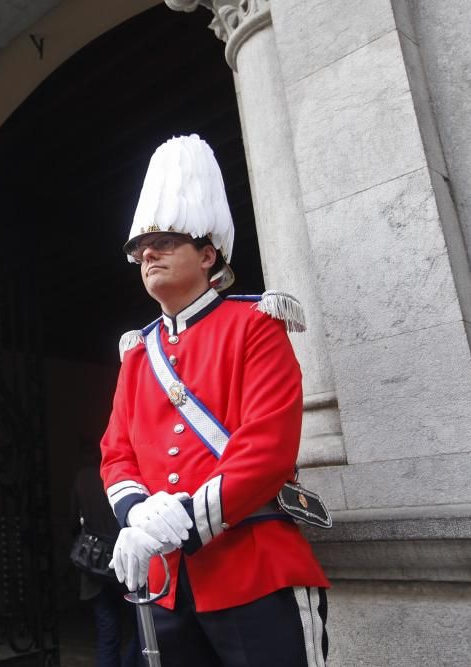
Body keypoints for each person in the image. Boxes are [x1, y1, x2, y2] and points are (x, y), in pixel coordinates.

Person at [100, 134, 331, 666]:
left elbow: (266, 450)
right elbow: (117, 453)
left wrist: (181, 517)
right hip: (166, 585)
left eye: (164, 241)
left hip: (253, 571)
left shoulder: (256, 325)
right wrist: (136, 515)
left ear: (208, 255)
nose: (147, 254)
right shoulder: (138, 354)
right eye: (140, 247)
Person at [71, 460, 142, 667]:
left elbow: (73, 521)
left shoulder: (83, 476)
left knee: (107, 632)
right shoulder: (125, 472)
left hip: (95, 562)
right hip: (126, 559)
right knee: (141, 629)